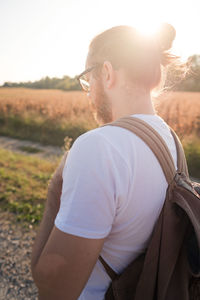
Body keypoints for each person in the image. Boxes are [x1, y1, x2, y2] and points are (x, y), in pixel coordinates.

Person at [31, 24, 179, 300]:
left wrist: (55, 190)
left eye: (88, 79)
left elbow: (54, 288)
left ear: (107, 73)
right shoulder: (171, 141)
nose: (87, 92)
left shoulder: (99, 147)